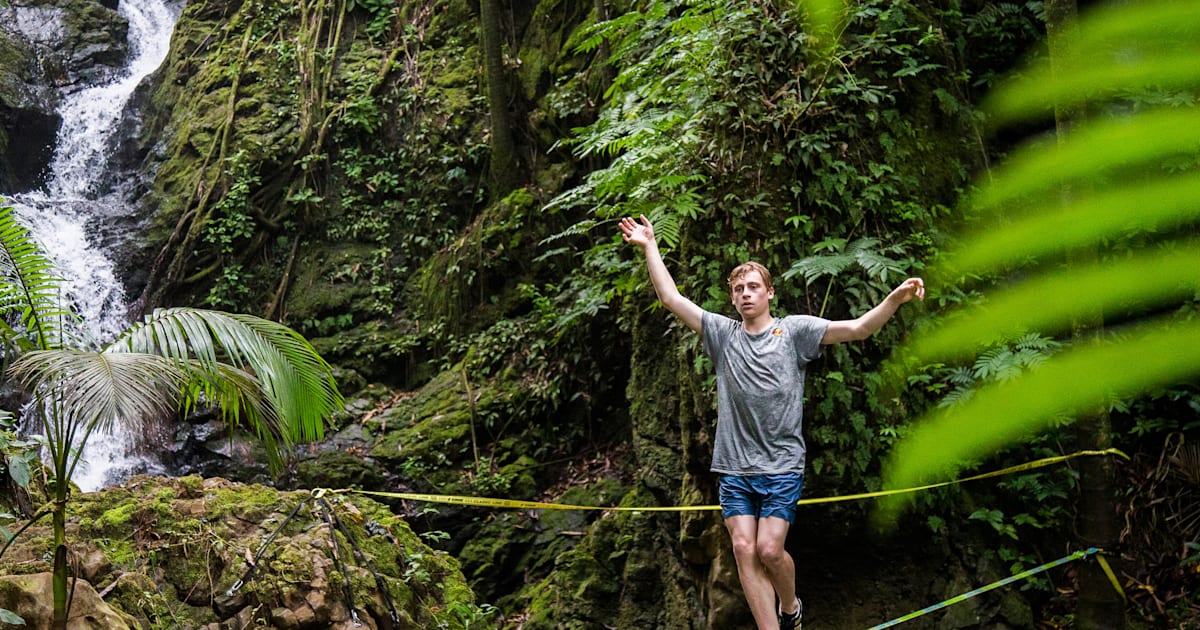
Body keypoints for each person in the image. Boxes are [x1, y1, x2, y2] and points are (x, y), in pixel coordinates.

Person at [618, 215, 925, 630]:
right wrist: (650, 245)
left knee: (768, 550)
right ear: (732, 298)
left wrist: (894, 298)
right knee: (743, 548)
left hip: (781, 464)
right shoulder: (723, 335)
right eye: (738, 290)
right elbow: (672, 299)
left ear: (769, 294)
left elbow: (858, 329)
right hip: (734, 466)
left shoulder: (793, 331)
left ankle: (790, 607)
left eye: (753, 288)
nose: (745, 295)